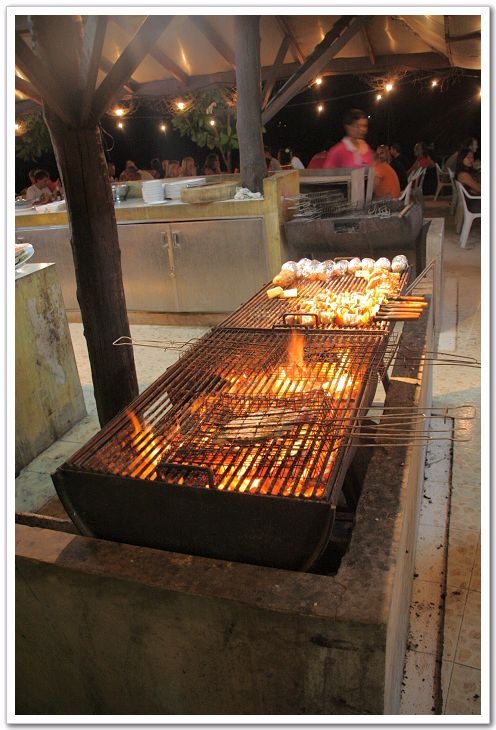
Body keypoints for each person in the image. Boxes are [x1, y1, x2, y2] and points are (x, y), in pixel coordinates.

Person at [455, 148, 480, 213]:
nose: (471, 160)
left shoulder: (465, 171)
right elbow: (479, 189)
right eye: (468, 157)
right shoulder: (463, 175)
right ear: (461, 159)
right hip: (473, 204)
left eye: (472, 157)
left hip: (473, 200)